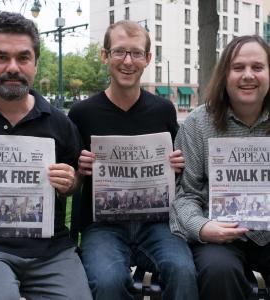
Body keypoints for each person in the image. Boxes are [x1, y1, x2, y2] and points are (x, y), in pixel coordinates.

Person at [68, 20, 198, 300]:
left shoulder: (163, 109)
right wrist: (80, 169)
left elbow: (179, 170)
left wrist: (178, 164)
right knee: (106, 281)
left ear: (148, 59)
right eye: (119, 52)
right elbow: (71, 182)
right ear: (105, 56)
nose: (128, 61)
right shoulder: (81, 113)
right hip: (103, 226)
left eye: (136, 53)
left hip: (158, 222)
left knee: (183, 271)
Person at [0, 12, 92, 300]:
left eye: (23, 58)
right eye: (1, 57)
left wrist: (70, 180)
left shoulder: (58, 122)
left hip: (50, 251)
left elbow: (77, 181)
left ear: (35, 64)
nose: (13, 67)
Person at [170, 35, 270, 300]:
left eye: (257, 67)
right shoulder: (197, 123)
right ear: (225, 74)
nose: (248, 75)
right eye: (238, 68)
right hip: (218, 235)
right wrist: (202, 227)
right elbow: (185, 194)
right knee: (218, 271)